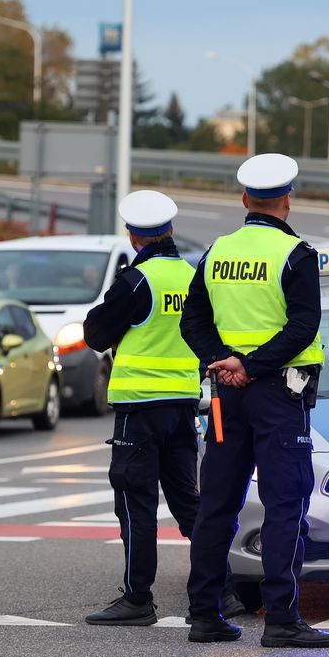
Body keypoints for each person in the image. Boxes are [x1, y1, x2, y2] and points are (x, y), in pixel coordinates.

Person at [180, 153, 329, 648]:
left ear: (245, 200)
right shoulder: (297, 255)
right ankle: (282, 620)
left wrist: (223, 361)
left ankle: (205, 615)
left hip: (226, 396)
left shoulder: (216, 252)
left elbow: (193, 322)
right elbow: (302, 327)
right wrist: (251, 365)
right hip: (277, 394)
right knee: (285, 504)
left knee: (217, 506)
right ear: (287, 201)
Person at [82, 190, 246, 625]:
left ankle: (138, 599)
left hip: (139, 409)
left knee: (135, 503)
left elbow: (94, 334)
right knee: (190, 505)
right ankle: (225, 591)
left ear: (133, 236)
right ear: (170, 230)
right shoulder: (192, 276)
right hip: (182, 407)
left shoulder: (136, 281)